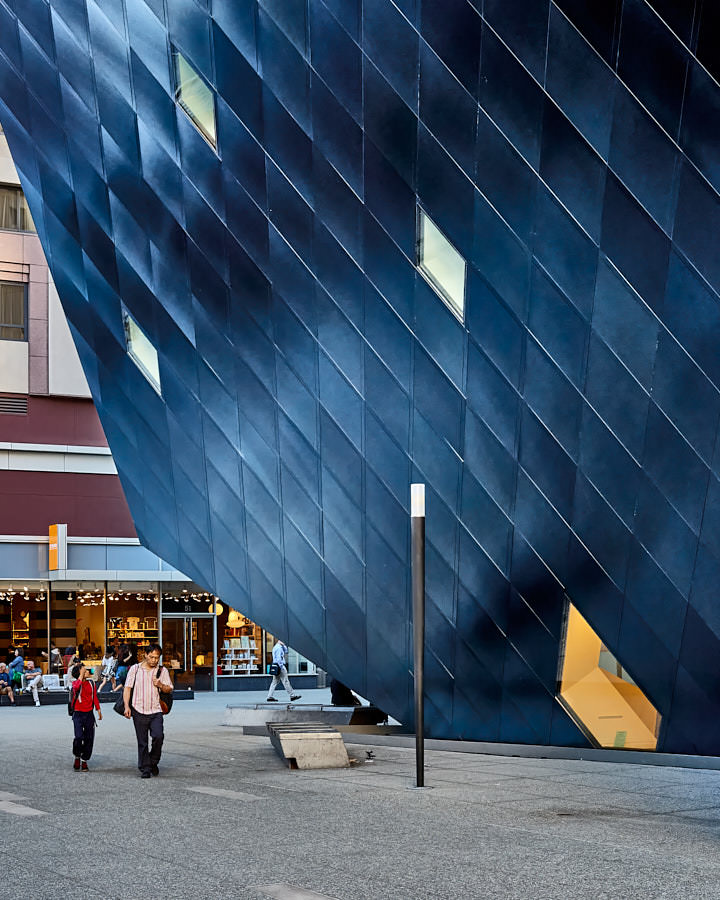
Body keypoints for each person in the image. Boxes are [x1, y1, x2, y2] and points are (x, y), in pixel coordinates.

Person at [123, 643, 173, 778]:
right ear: (145, 655)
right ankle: (145, 768)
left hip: (156, 710)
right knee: (142, 742)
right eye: (151, 657)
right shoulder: (135, 669)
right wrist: (127, 706)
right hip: (138, 709)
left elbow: (169, 688)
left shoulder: (162, 671)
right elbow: (127, 688)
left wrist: (160, 685)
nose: (154, 660)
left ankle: (153, 762)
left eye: (157, 658)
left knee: (158, 736)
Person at [70, 663, 102, 771]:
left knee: (89, 738)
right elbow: (76, 687)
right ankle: (77, 755)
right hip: (78, 714)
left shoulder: (92, 683)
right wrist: (81, 675)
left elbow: (95, 697)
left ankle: (84, 759)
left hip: (89, 714)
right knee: (79, 737)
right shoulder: (75, 683)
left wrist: (98, 710)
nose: (88, 671)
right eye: (85, 670)